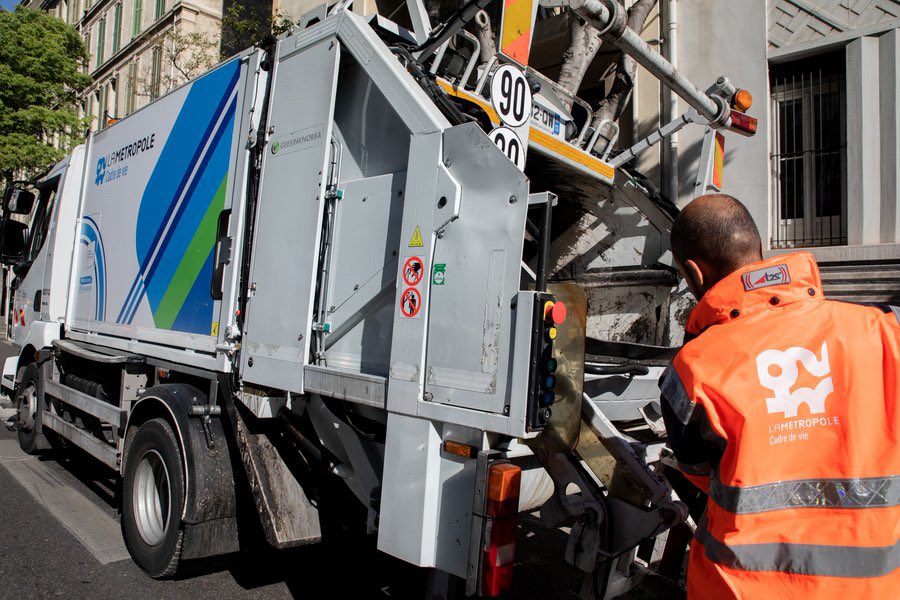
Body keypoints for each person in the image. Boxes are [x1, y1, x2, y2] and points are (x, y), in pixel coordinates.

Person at [659, 194, 899, 599]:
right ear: (760, 250)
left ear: (695, 273)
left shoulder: (692, 369)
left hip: (741, 588)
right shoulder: (884, 330)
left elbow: (699, 475)